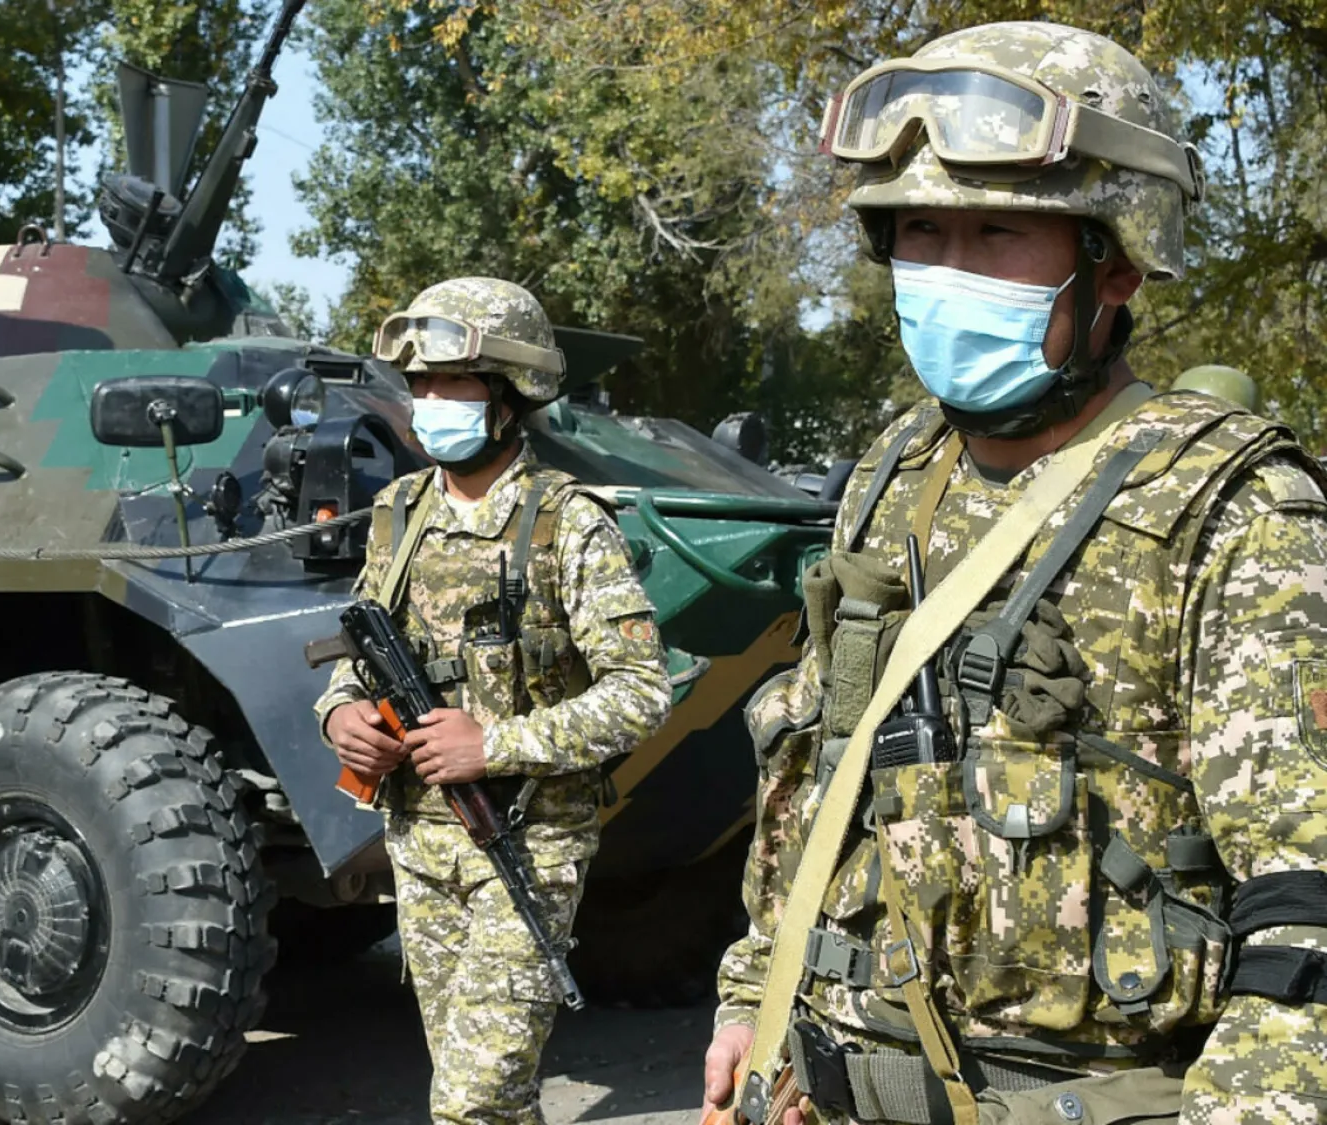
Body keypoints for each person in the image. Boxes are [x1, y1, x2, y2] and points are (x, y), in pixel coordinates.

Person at [701, 21, 1327, 1125]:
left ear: (1116, 260)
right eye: (920, 231)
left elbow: (1305, 911)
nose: (945, 273)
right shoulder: (894, 473)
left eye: (996, 232)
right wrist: (758, 997)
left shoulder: (1234, 512)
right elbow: (819, 770)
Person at [314, 276, 672, 1125]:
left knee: (469, 1102)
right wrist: (341, 716)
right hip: (419, 846)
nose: (430, 400)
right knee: (495, 1100)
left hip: (526, 844)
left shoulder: (566, 523)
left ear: (511, 394)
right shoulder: (399, 514)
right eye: (421, 383)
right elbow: (357, 653)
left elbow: (642, 691)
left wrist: (495, 745)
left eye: (453, 382)